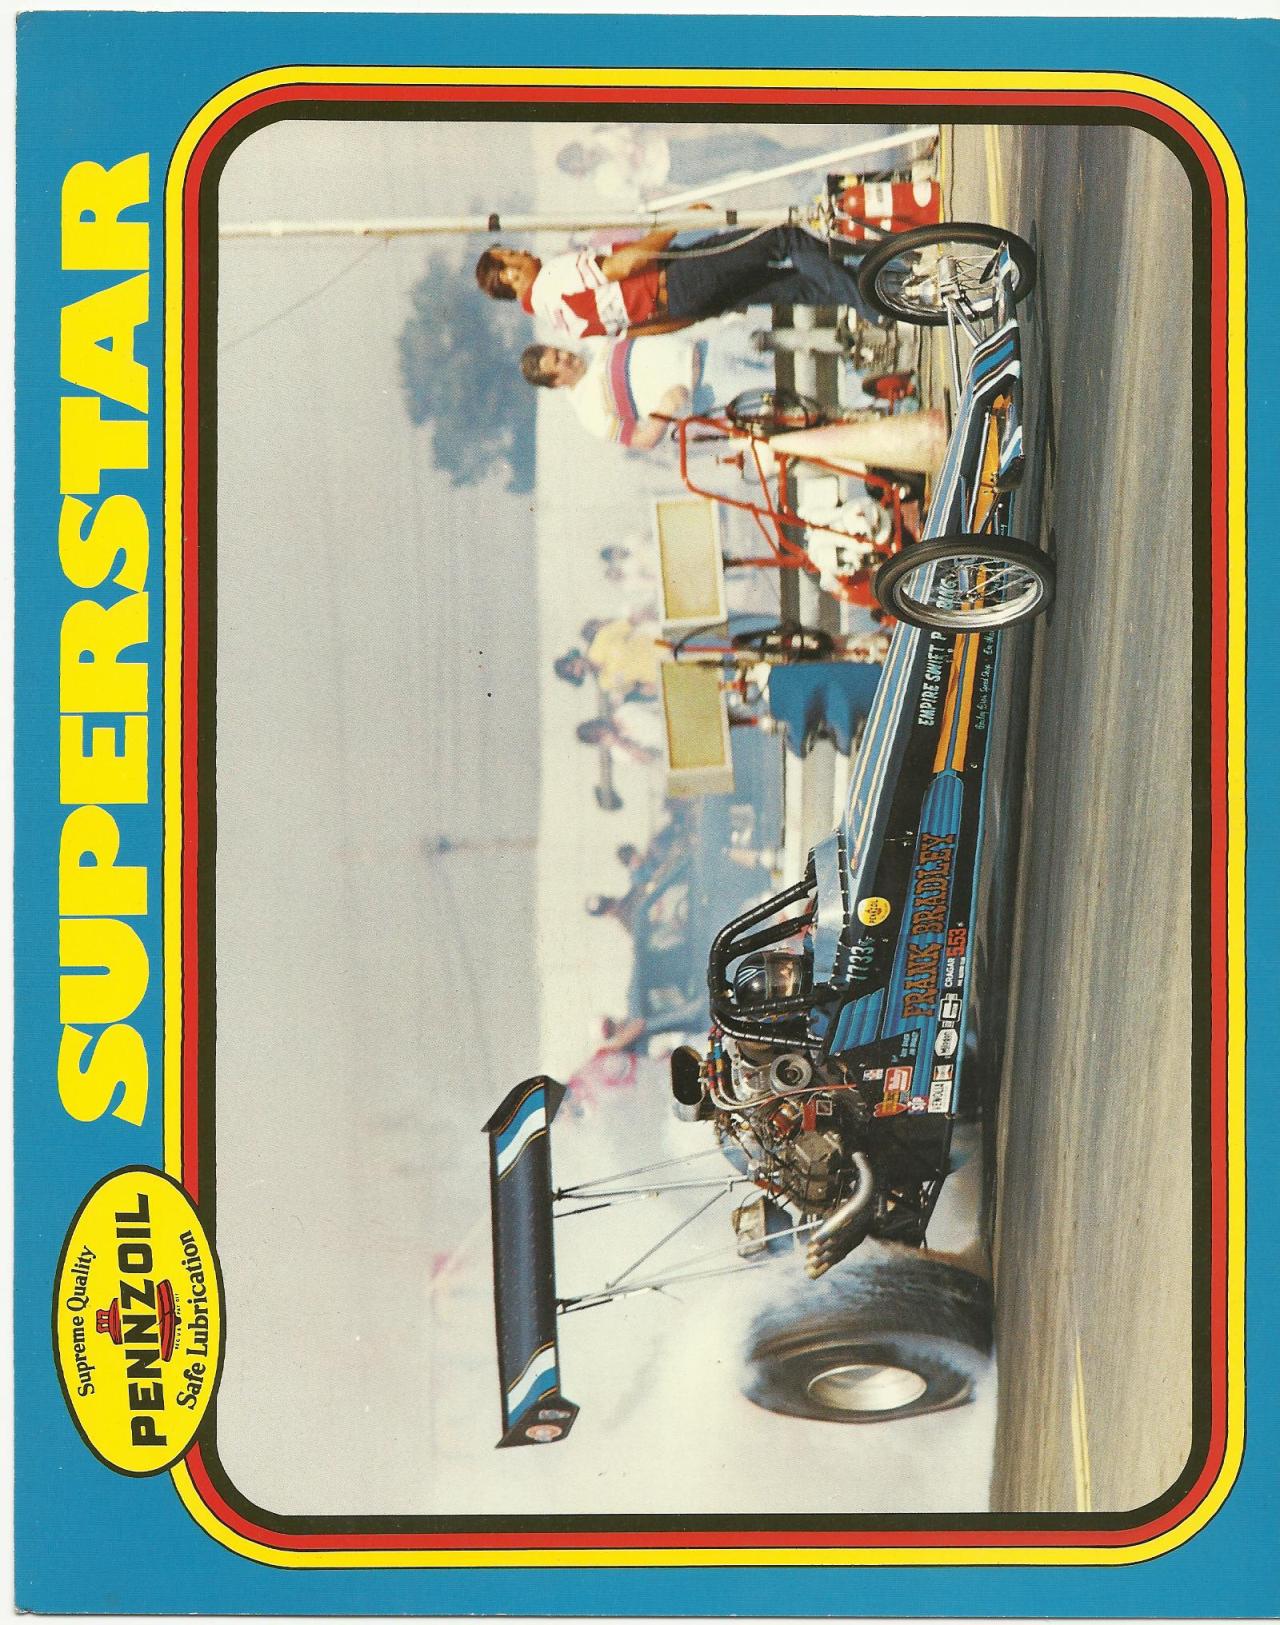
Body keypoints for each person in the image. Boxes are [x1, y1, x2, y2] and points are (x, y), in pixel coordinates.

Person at [474, 220, 876, 341]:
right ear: (509, 275)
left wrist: (696, 315)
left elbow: (637, 331)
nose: (522, 251)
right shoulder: (553, 278)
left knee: (795, 285)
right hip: (678, 276)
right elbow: (625, 266)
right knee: (779, 236)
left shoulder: (558, 321)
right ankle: (871, 300)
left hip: (683, 303)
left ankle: (881, 290)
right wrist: (676, 224)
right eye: (511, 254)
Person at [520, 322, 771, 449]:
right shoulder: (589, 413)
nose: (565, 356)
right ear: (556, 382)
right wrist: (664, 410)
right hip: (711, 390)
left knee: (789, 339)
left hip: (709, 345)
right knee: (784, 381)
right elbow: (642, 439)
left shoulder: (591, 340)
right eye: (558, 362)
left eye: (558, 351)